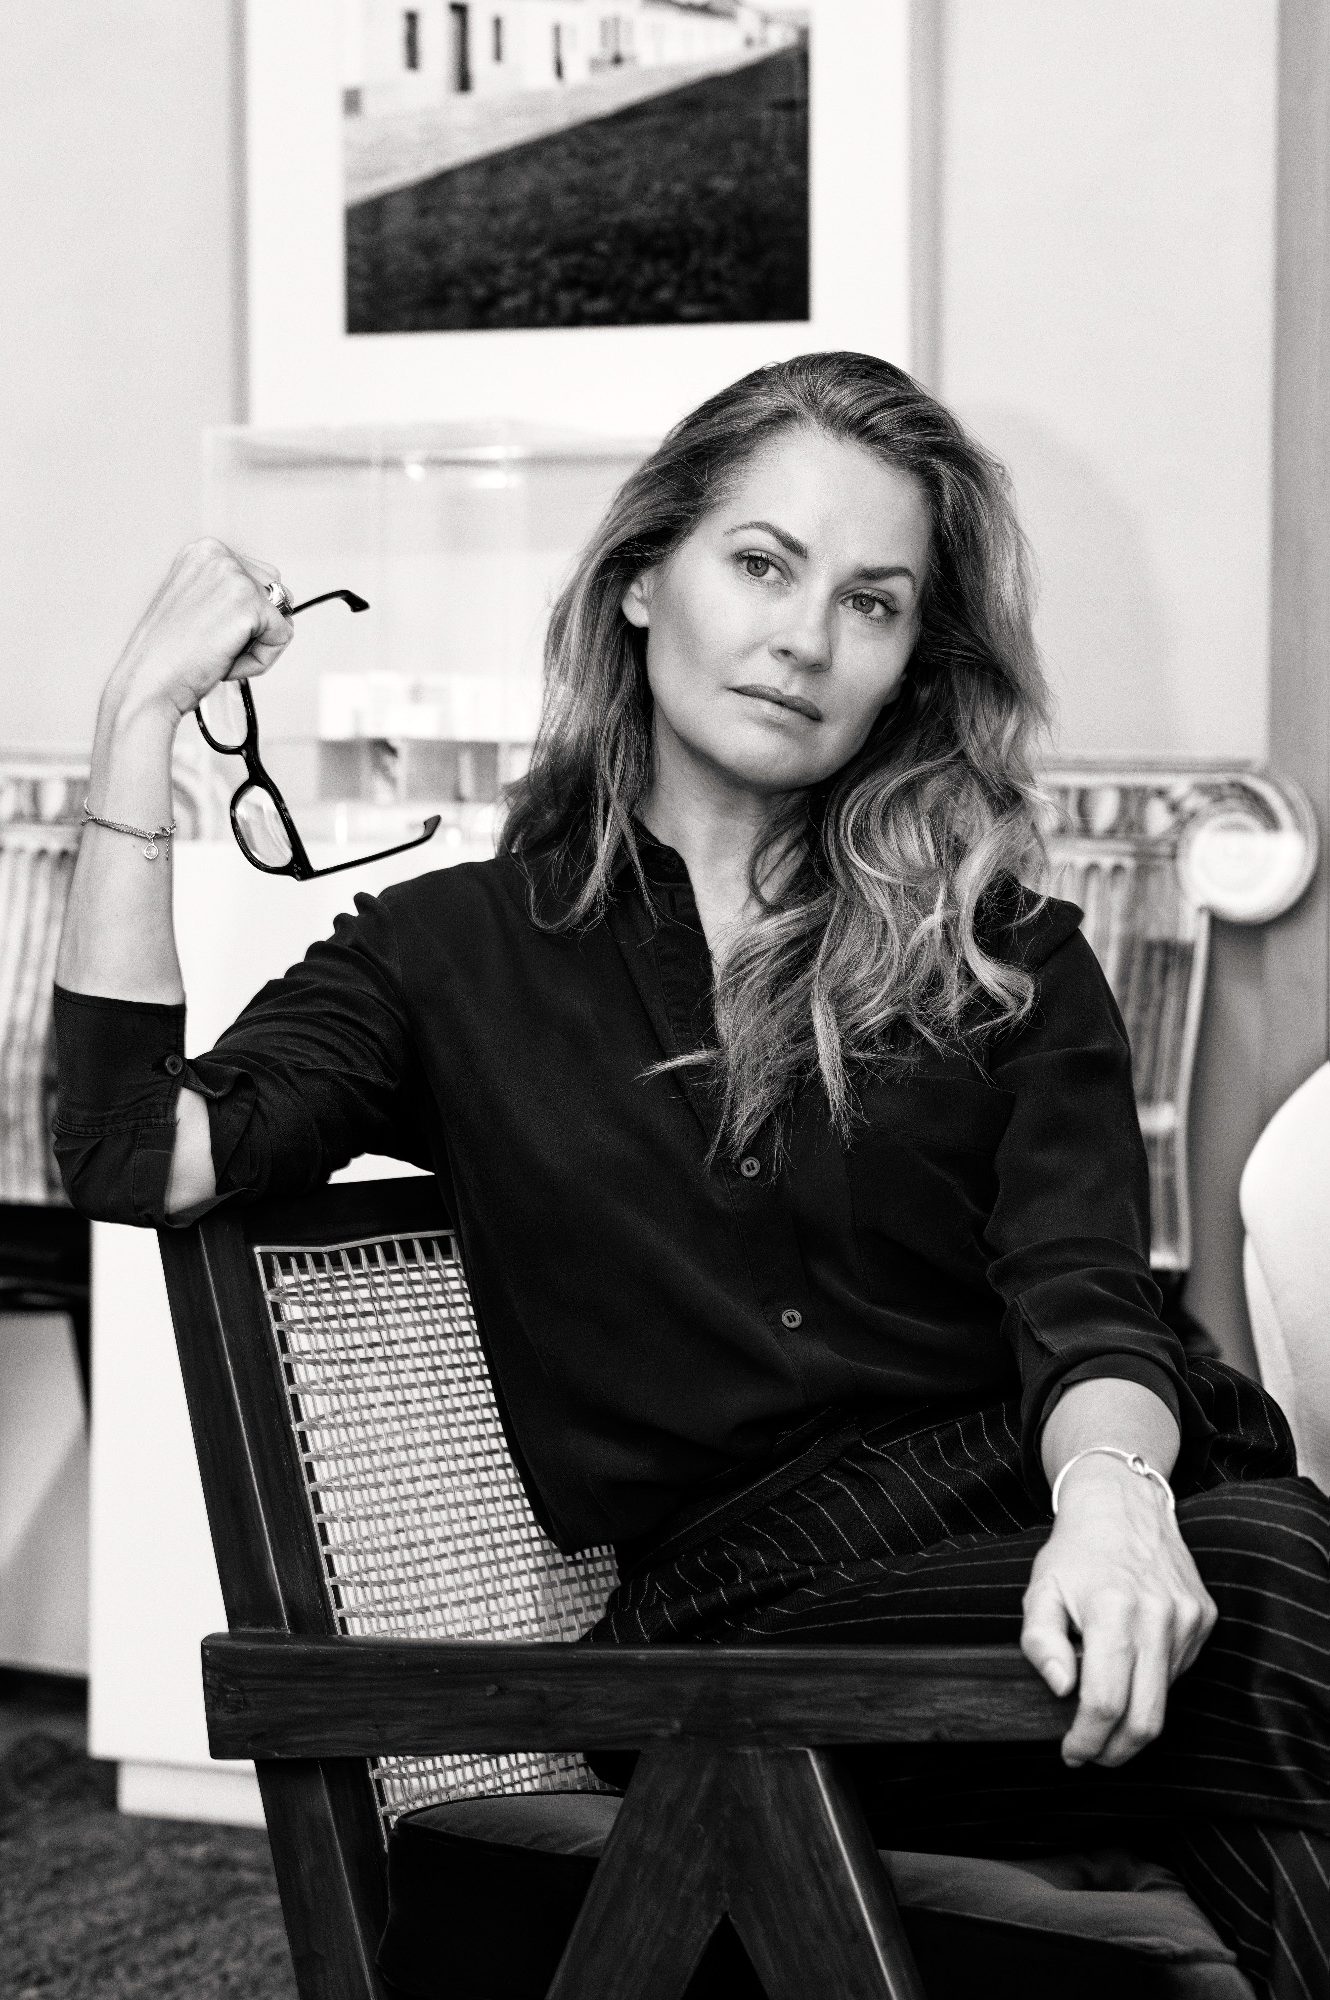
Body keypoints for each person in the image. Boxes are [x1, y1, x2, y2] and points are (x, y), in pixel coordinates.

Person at [53, 353, 1328, 1996]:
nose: (805, 638)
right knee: (1281, 1593)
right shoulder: (455, 952)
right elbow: (126, 1151)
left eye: (871, 603)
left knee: (1257, 1701)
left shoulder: (1001, 954)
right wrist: (134, 725)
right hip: (747, 1633)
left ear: (908, 670)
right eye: (762, 564)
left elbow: (1084, 1302)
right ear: (643, 578)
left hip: (1053, 1545)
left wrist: (1117, 1509)